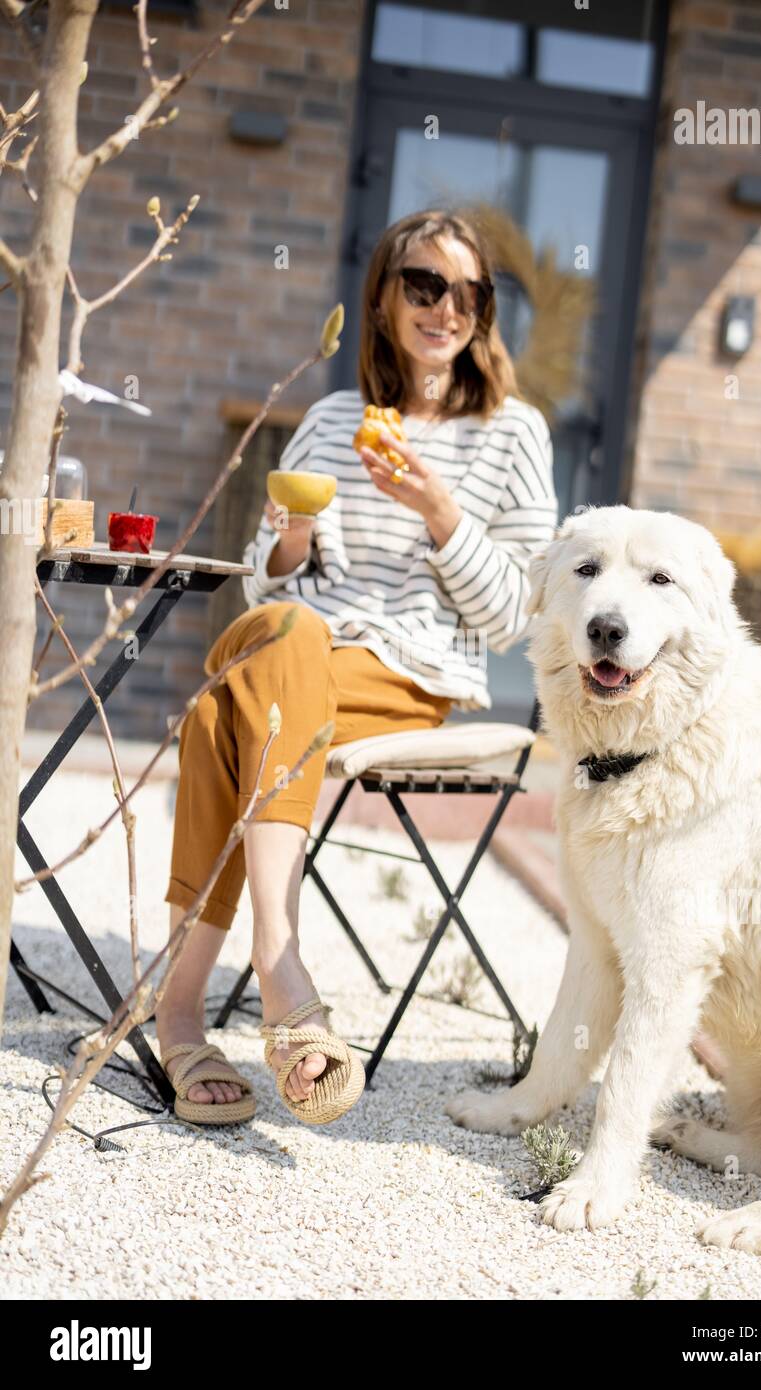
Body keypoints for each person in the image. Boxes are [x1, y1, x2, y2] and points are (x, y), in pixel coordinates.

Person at [155, 208, 559, 1125]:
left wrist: (441, 512)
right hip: (295, 654)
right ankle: (277, 958)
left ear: (483, 313)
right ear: (382, 299)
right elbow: (261, 585)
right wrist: (291, 537)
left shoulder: (513, 435)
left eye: (468, 293)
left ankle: (182, 1009)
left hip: (405, 681)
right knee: (288, 635)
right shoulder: (334, 420)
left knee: (223, 719)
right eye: (423, 284)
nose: (443, 308)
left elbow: (513, 620)